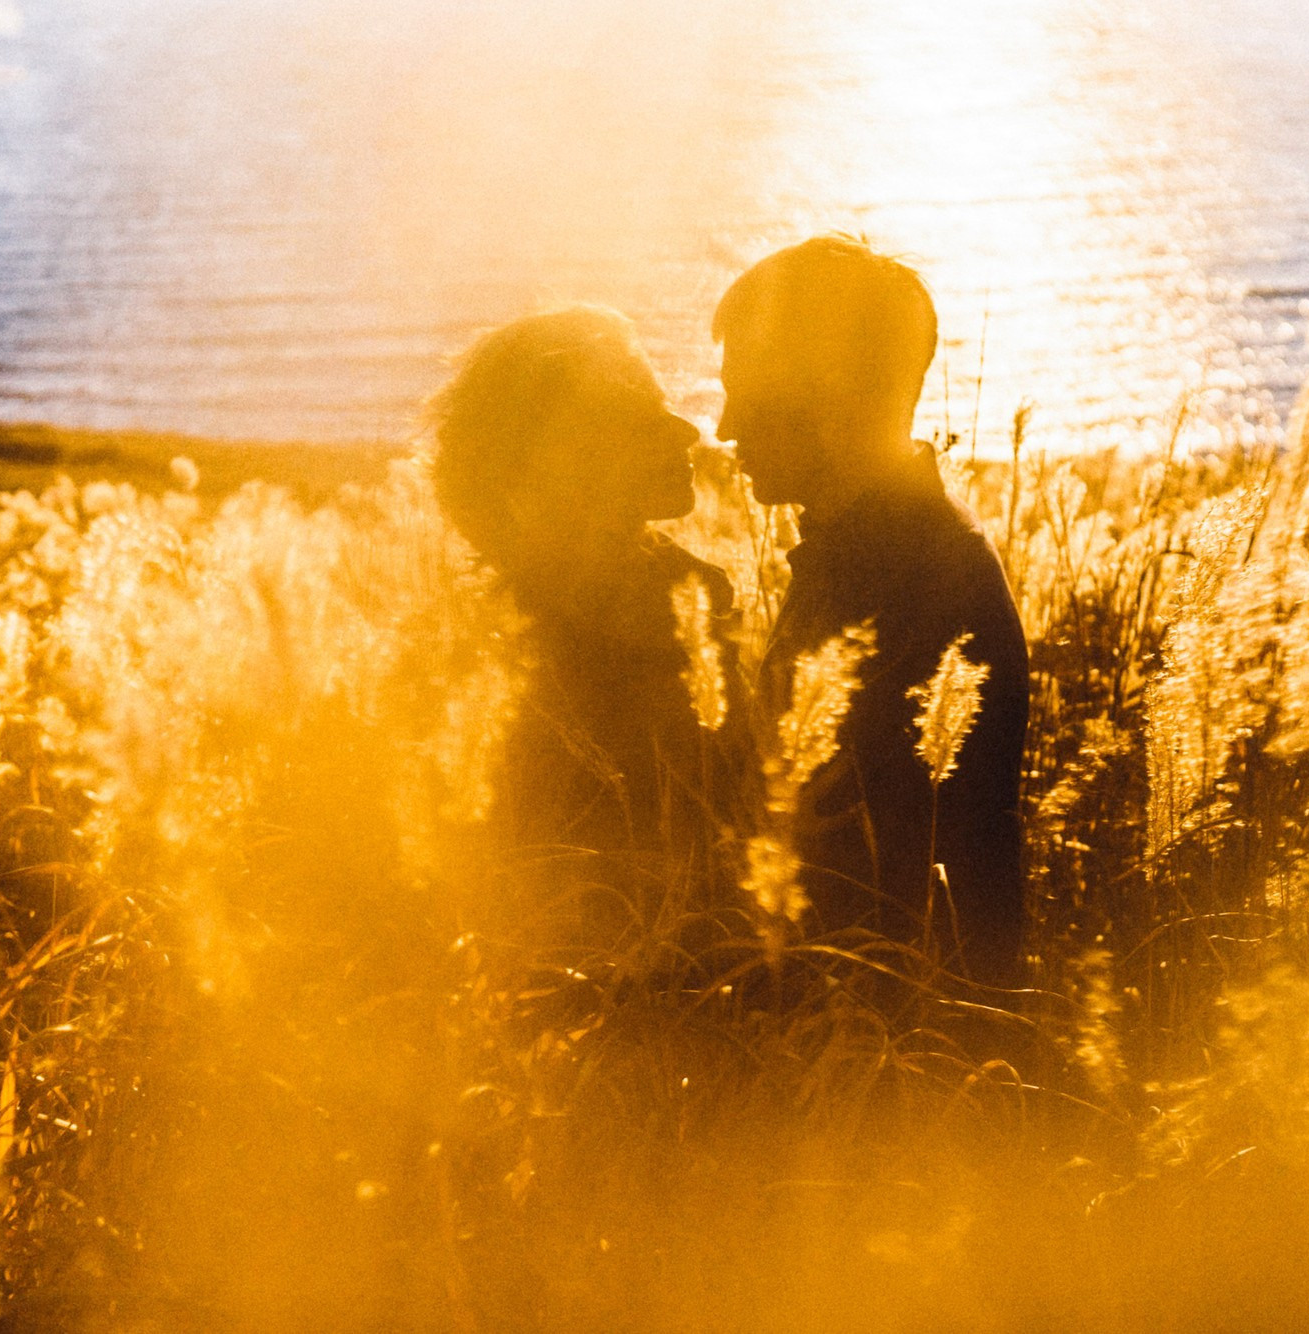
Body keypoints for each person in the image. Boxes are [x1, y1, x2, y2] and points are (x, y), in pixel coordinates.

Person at [712, 236, 1029, 987]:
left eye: (746, 395)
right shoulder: (861, 549)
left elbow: (880, 897)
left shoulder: (912, 583)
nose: (724, 428)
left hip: (883, 1050)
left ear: (829, 398)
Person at [429, 306, 749, 943]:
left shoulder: (486, 633)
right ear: (546, 466)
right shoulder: (652, 631)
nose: (687, 430)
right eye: (638, 418)